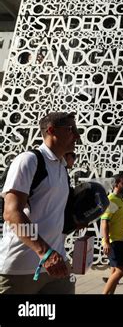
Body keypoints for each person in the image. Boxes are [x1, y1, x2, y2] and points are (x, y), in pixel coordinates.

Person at [0, 112, 80, 294]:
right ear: (51, 131)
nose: (77, 135)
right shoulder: (29, 160)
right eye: (71, 130)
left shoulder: (61, 166)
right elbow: (12, 213)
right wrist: (45, 252)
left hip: (57, 264)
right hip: (20, 269)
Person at [101, 174, 123, 294]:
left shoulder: (121, 200)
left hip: (120, 239)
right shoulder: (111, 199)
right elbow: (104, 222)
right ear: (116, 184)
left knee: (114, 271)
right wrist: (106, 241)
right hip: (113, 241)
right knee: (121, 270)